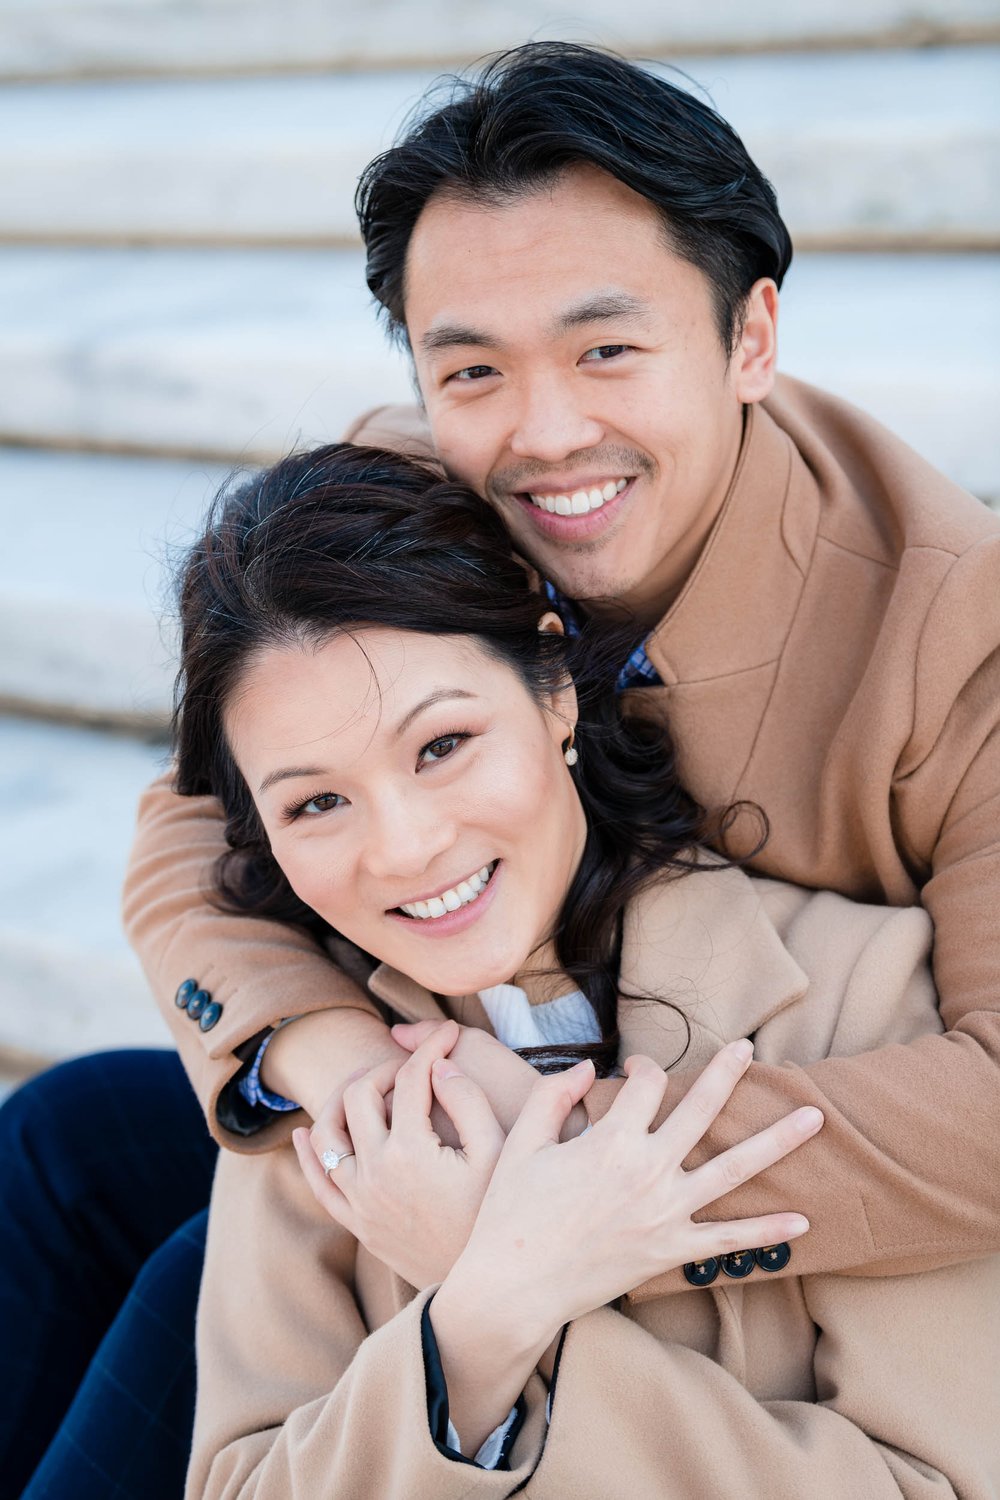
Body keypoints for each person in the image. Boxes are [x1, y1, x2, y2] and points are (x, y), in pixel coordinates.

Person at [4, 38, 999, 1493]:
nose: (543, 433)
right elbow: (195, 837)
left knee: (191, 1277)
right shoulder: (413, 501)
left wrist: (546, 1185)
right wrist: (347, 1071)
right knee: (74, 1148)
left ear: (750, 338)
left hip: (782, 1199)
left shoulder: (958, 636)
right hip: (474, 1065)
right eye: (471, 368)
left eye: (606, 348)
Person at [176, 441, 996, 1496]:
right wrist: (485, 1315)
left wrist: (509, 1297)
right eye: (315, 803)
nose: (404, 848)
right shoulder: (322, 1063)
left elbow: (934, 1487)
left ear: (555, 693)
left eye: (441, 746)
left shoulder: (858, 993)